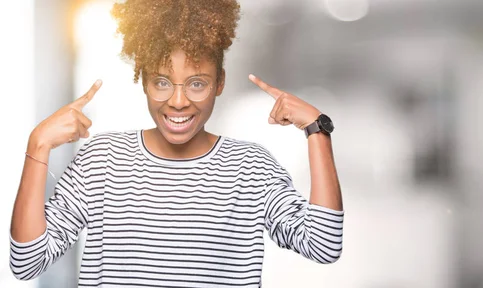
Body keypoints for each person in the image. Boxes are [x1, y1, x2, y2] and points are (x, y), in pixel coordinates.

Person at [9, 0, 343, 287]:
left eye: (197, 84)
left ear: (220, 83)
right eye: (162, 82)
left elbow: (323, 245)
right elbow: (27, 263)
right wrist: (37, 145)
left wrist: (317, 130)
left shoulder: (250, 167)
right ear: (142, 80)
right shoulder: (102, 161)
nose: (178, 101)